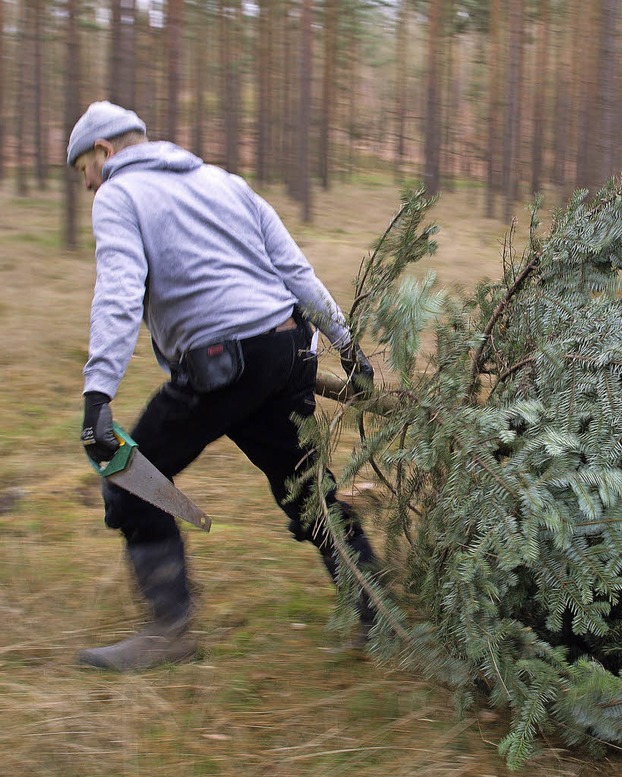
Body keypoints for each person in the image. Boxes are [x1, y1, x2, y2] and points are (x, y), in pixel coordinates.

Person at [68, 101, 378, 671]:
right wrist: (349, 346)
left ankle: (170, 634)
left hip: (222, 365)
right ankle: (374, 607)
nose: (87, 184)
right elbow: (295, 271)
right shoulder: (225, 182)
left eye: (84, 168)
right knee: (304, 489)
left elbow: (118, 293)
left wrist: (97, 396)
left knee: (129, 478)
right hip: (287, 352)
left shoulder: (120, 193)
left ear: (105, 151)